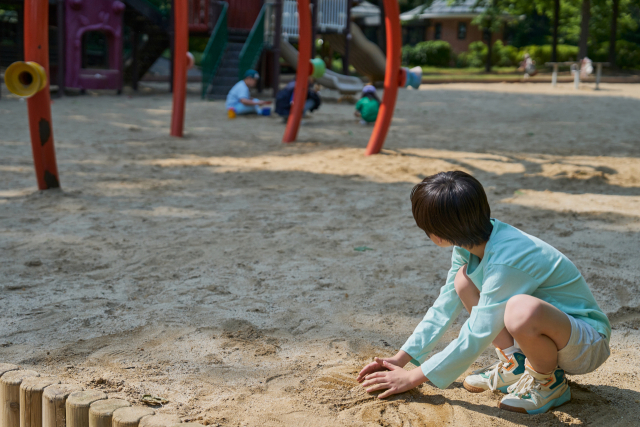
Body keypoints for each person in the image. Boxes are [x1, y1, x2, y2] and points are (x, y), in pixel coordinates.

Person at [356, 171, 610, 415]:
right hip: (552, 335)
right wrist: (401, 359)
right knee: (463, 280)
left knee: (521, 310)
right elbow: (445, 304)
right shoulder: (469, 242)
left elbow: (479, 330)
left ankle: (548, 383)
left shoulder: (506, 259)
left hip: (585, 346)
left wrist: (413, 377)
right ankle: (516, 362)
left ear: (438, 233)